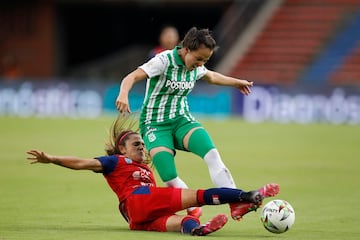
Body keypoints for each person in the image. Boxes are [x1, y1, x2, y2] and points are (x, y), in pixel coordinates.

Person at [26, 115, 280, 236]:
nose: (141, 146)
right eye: (136, 144)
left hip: (137, 218)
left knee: (177, 222)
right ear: (122, 148)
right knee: (198, 196)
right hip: (138, 199)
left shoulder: (146, 169)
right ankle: (247, 195)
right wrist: (52, 159)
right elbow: (82, 163)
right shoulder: (115, 161)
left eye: (142, 143)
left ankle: (198, 230)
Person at [115, 26, 255, 220]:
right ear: (186, 49)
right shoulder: (163, 61)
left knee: (212, 155)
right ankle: (192, 209)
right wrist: (123, 93)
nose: (200, 65)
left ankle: (236, 203)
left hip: (182, 120)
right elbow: (131, 77)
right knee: (169, 175)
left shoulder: (196, 66)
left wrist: (237, 82)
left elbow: (212, 76)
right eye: (199, 59)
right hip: (155, 124)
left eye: (205, 60)